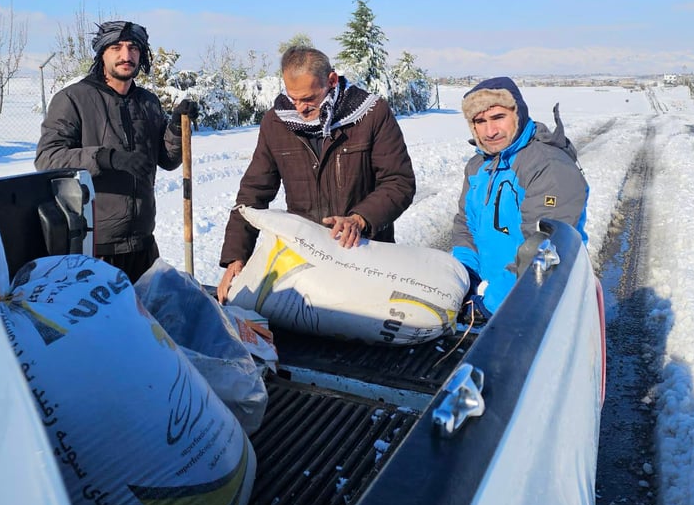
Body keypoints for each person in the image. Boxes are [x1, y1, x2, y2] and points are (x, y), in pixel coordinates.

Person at [217, 46, 416, 301]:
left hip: (366, 257)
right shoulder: (276, 123)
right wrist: (236, 257)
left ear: (331, 81)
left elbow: (399, 182)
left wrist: (359, 219)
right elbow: (253, 193)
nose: (300, 108)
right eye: (293, 98)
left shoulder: (371, 114)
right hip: (306, 263)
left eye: (308, 99)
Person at [35, 19, 198, 282]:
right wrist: (105, 158)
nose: (126, 55)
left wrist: (177, 128)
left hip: (143, 245)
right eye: (116, 47)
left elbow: (167, 159)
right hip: (95, 249)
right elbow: (48, 158)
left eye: (133, 48)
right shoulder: (73, 99)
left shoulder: (147, 102)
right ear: (102, 53)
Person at [451, 76, 588, 320]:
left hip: (539, 304)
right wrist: (463, 278)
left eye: (498, 117)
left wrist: (491, 304)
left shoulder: (547, 166)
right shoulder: (478, 166)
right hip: (493, 298)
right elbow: (466, 226)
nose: (490, 131)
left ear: (518, 114)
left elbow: (544, 250)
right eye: (480, 121)